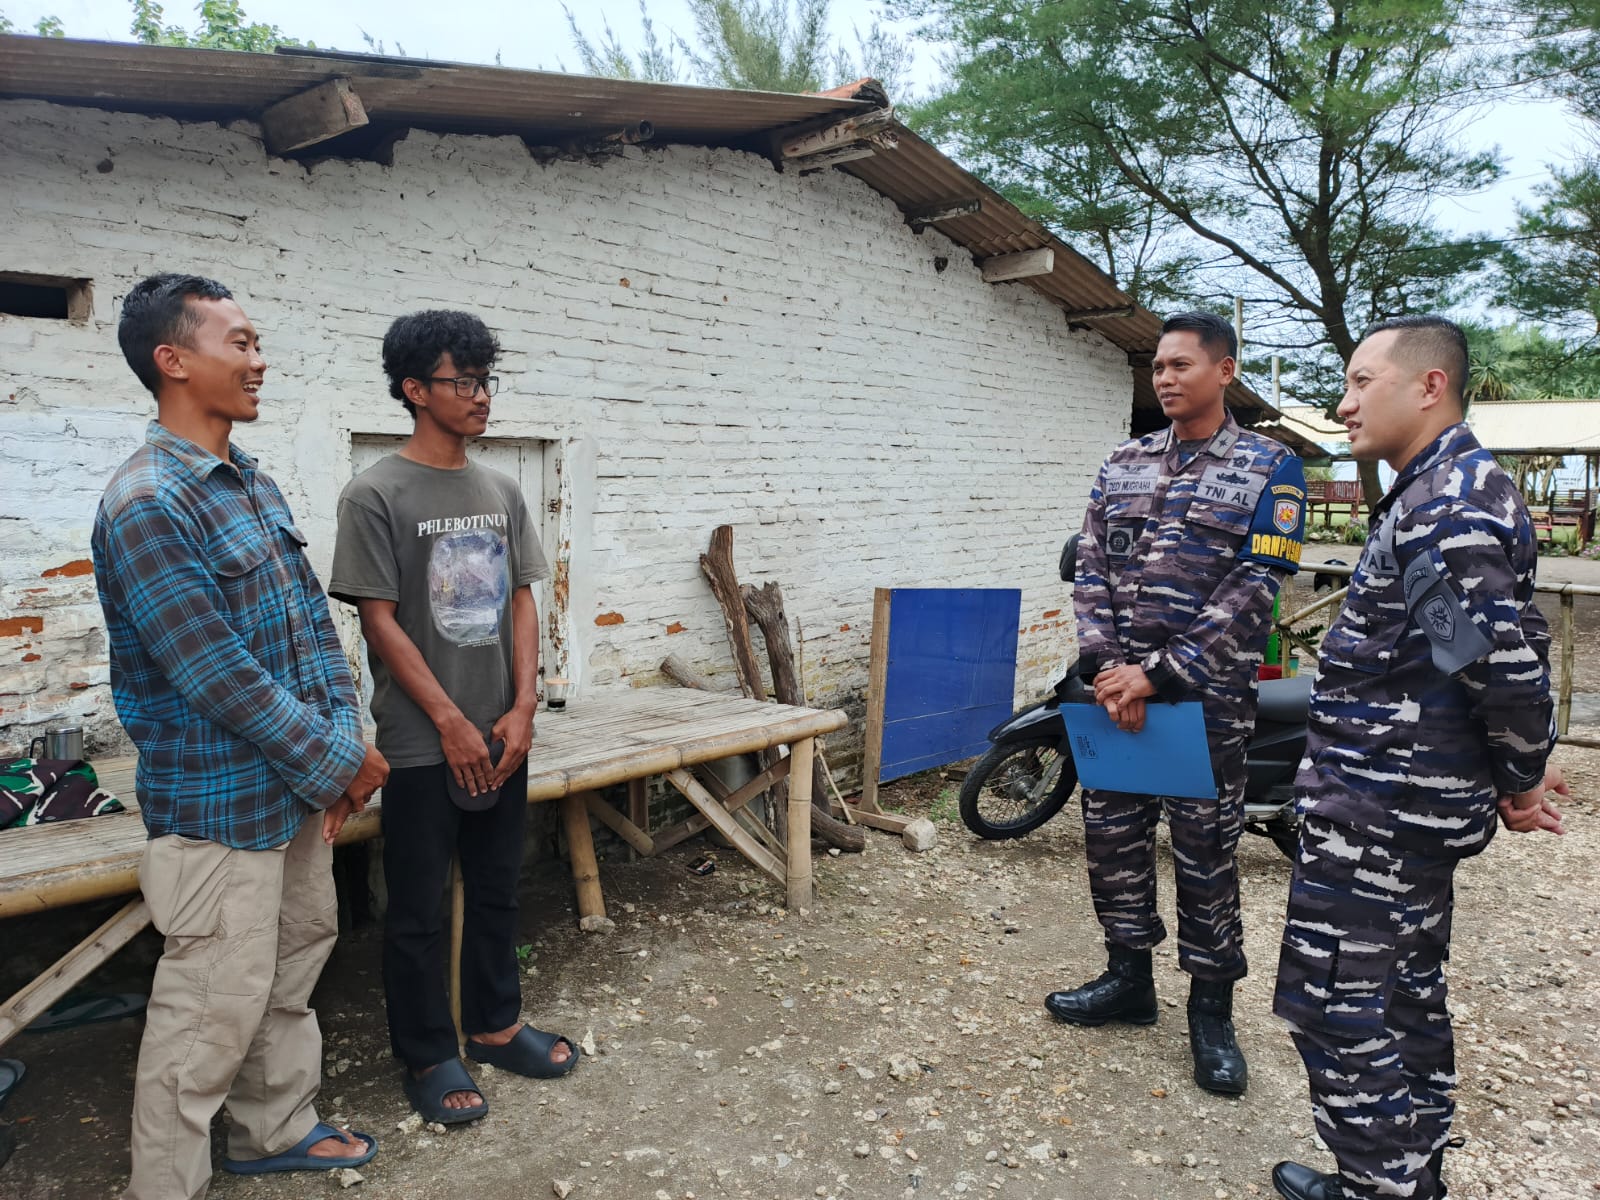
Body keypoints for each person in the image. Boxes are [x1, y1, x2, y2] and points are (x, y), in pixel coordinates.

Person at [93, 273, 387, 1200]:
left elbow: (310, 632)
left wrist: (342, 746)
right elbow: (217, 674)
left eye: (258, 343)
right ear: (173, 360)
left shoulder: (247, 481)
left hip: (292, 788)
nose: (260, 361)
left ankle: (273, 1129)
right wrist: (345, 758)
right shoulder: (148, 501)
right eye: (241, 343)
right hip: (218, 806)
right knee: (207, 1012)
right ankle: (165, 1186)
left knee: (290, 966)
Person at [1271, 316, 1566, 1200]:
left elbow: (1495, 664)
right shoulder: (1446, 487)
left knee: (1338, 1009)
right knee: (1404, 994)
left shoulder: (1446, 504)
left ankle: (1380, 1188)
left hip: (1382, 814)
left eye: (1362, 382)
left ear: (1430, 386)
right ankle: (1410, 1176)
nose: (1344, 403)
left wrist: (1522, 779)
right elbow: (1509, 645)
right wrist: (1519, 765)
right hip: (1398, 806)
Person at [1045, 310, 1306, 1096]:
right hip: (1114, 695)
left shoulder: (1270, 467)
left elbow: (1256, 589)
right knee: (1112, 840)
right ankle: (1127, 979)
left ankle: (1211, 1012)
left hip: (1205, 704)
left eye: (1181, 365)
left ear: (1224, 371)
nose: (1164, 378)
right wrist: (1108, 670)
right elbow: (1090, 569)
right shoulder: (1122, 462)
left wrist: (1158, 674)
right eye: (1158, 366)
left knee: (1205, 853)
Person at [330, 310, 576, 1127]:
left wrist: (523, 705)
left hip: (502, 731)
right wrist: (446, 719)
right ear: (414, 389)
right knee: (416, 910)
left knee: (500, 889)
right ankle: (429, 1052)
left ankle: (497, 1025)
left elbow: (522, 599)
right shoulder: (375, 494)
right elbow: (379, 620)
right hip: (420, 741)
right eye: (461, 382)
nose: (480, 396)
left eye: (483, 380)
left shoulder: (500, 490)